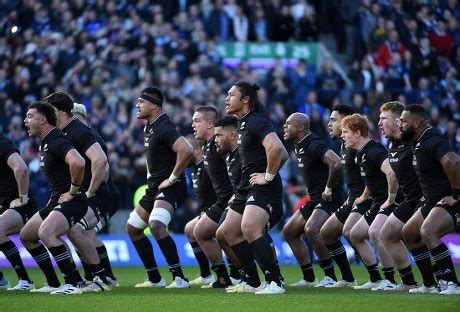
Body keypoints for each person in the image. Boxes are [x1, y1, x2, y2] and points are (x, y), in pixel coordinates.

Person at [220, 81, 288, 295]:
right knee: (227, 232)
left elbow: (277, 149)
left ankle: (275, 282)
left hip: (263, 187)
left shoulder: (257, 120)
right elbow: (283, 154)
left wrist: (268, 176)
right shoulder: (241, 123)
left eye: (231, 95)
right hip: (245, 187)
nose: (226, 99)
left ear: (246, 99)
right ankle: (253, 282)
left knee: (250, 228)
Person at [44, 92, 112, 291]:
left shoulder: (79, 131)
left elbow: (101, 161)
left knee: (76, 229)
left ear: (61, 112)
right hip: (74, 194)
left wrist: (90, 191)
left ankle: (99, 278)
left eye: (50, 111)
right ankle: (80, 279)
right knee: (46, 231)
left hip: (95, 195)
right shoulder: (58, 133)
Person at [127, 86, 193, 288]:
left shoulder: (163, 126)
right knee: (133, 228)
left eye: (141, 102)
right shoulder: (150, 126)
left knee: (156, 225)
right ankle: (155, 278)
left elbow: (187, 149)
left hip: (170, 188)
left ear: (153, 105)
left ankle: (179, 278)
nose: (137, 105)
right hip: (155, 188)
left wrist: (173, 177)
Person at [23, 101, 87, 295]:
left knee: (47, 233)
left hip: (73, 201)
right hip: (55, 201)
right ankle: (53, 282)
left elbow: (78, 162)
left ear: (42, 120)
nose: (25, 121)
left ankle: (73, 284)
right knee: (27, 236)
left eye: (29, 116)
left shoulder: (56, 138)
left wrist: (73, 191)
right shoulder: (45, 141)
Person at [401, 104, 460, 295]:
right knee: (409, 233)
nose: (400, 124)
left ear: (417, 122)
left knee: (427, 232)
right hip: (430, 201)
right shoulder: (417, 141)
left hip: (447, 200)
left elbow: (452, 161)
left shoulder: (432, 139)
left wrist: (456, 195)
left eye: (404, 121)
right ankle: (430, 284)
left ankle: (452, 283)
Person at [283, 112, 346, 287]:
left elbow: (337, 163)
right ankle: (309, 278)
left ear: (301, 128)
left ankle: (331, 277)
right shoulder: (298, 145)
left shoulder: (313, 143)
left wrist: (328, 188)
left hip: (329, 198)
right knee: (289, 231)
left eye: (289, 124)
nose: (284, 127)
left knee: (311, 229)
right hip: (314, 200)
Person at [341, 113, 398, 290]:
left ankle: (390, 280)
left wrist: (391, 198)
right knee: (353, 233)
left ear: (358, 133)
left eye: (345, 132)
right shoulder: (360, 154)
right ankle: (375, 278)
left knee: (375, 233)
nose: (342, 136)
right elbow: (370, 180)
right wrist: (365, 195)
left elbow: (391, 173)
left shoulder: (375, 150)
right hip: (375, 201)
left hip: (389, 201)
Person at [72, 103, 119, 285]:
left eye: (76, 118)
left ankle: (100, 275)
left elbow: (104, 167)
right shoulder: (80, 136)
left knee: (83, 232)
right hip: (95, 193)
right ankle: (102, 275)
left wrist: (91, 191)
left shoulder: (89, 136)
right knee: (85, 233)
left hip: (103, 195)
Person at [377, 102, 420, 291]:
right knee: (387, 234)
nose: (379, 123)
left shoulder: (411, 141)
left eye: (383, 118)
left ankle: (445, 281)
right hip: (409, 199)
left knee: (426, 235)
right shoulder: (391, 143)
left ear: (397, 121)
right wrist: (391, 197)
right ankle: (409, 281)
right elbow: (393, 175)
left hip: (424, 198)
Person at [320, 105, 363, 288]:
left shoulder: (358, 145)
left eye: (333, 120)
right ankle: (347, 278)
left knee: (387, 234)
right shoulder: (343, 145)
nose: (329, 124)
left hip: (366, 200)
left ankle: (383, 278)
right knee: (327, 232)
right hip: (352, 199)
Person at [191, 106, 234, 288]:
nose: (193, 125)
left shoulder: (220, 146)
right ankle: (226, 277)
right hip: (221, 201)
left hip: (231, 199)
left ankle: (234, 275)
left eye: (197, 121)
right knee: (198, 231)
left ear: (210, 123)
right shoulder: (209, 146)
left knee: (204, 232)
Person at [0, 132, 38, 290]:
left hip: (21, 203)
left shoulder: (2, 142)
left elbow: (21, 169)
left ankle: (25, 280)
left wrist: (22, 198)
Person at [184, 134, 218, 286]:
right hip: (207, 210)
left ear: (197, 150)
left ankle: (230, 274)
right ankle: (206, 275)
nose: (181, 152)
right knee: (189, 229)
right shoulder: (194, 168)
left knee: (200, 231)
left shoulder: (207, 167)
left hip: (220, 210)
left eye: (185, 149)